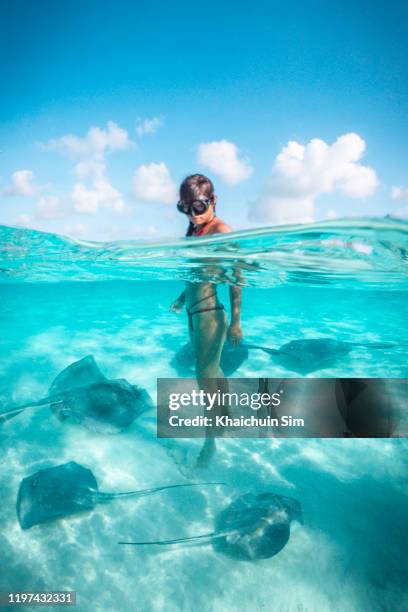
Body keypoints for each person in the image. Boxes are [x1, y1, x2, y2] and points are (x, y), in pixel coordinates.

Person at [170, 174, 243, 467]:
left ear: (213, 201)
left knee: (204, 379)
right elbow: (198, 276)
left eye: (198, 207)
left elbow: (237, 277)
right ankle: (225, 418)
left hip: (211, 317)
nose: (192, 215)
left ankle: (210, 444)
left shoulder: (220, 232)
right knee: (213, 371)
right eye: (185, 208)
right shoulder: (194, 230)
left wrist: (236, 321)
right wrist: (182, 298)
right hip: (194, 313)